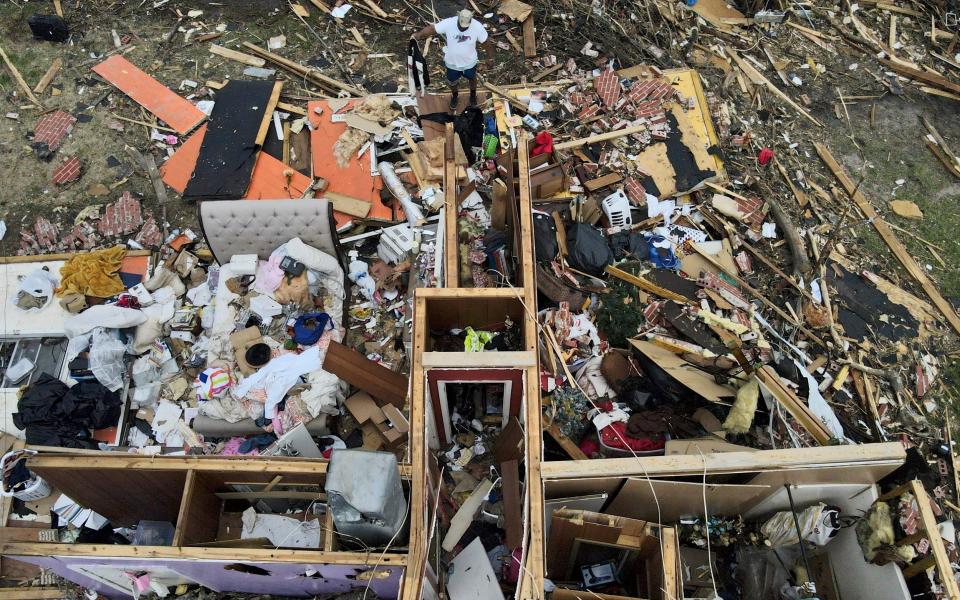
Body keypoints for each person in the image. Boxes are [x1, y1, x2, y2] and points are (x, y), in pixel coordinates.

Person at [411, 9, 493, 110]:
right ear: (458, 19)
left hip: (469, 62)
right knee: (452, 81)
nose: (462, 29)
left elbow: (486, 43)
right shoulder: (450, 23)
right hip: (452, 63)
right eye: (461, 26)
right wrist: (418, 35)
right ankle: (455, 96)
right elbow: (433, 29)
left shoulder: (477, 27)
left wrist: (490, 59)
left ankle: (472, 95)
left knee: (472, 78)